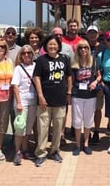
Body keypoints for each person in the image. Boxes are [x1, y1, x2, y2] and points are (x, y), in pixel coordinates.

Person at [33, 35, 72, 167]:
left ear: (58, 46)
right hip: (45, 100)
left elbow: (69, 76)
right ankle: (41, 152)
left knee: (58, 128)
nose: (52, 47)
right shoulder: (41, 60)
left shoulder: (64, 59)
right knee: (43, 128)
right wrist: (40, 96)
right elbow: (36, 78)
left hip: (60, 99)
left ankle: (55, 150)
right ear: (46, 46)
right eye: (50, 44)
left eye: (55, 44)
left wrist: (69, 92)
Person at [70, 40, 101, 155]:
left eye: (85, 48)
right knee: (77, 121)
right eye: (81, 48)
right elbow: (71, 80)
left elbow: (99, 76)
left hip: (90, 95)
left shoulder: (94, 61)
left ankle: (86, 143)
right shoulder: (74, 63)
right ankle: (78, 144)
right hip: (77, 95)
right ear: (77, 50)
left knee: (88, 120)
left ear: (88, 49)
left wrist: (95, 82)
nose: (83, 50)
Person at [11, 45, 37, 165]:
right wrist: (19, 102)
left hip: (33, 100)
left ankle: (25, 150)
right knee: (20, 127)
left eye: (29, 53)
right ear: (21, 55)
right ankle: (17, 151)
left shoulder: (36, 66)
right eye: (24, 53)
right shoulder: (18, 68)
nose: (27, 55)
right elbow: (15, 86)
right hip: (22, 100)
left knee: (28, 128)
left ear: (32, 54)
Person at [85, 25, 106, 144]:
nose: (92, 35)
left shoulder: (103, 48)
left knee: (98, 109)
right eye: (90, 33)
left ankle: (97, 131)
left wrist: (100, 80)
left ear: (98, 34)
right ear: (87, 34)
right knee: (87, 109)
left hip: (99, 83)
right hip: (85, 83)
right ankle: (87, 132)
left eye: (94, 33)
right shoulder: (84, 46)